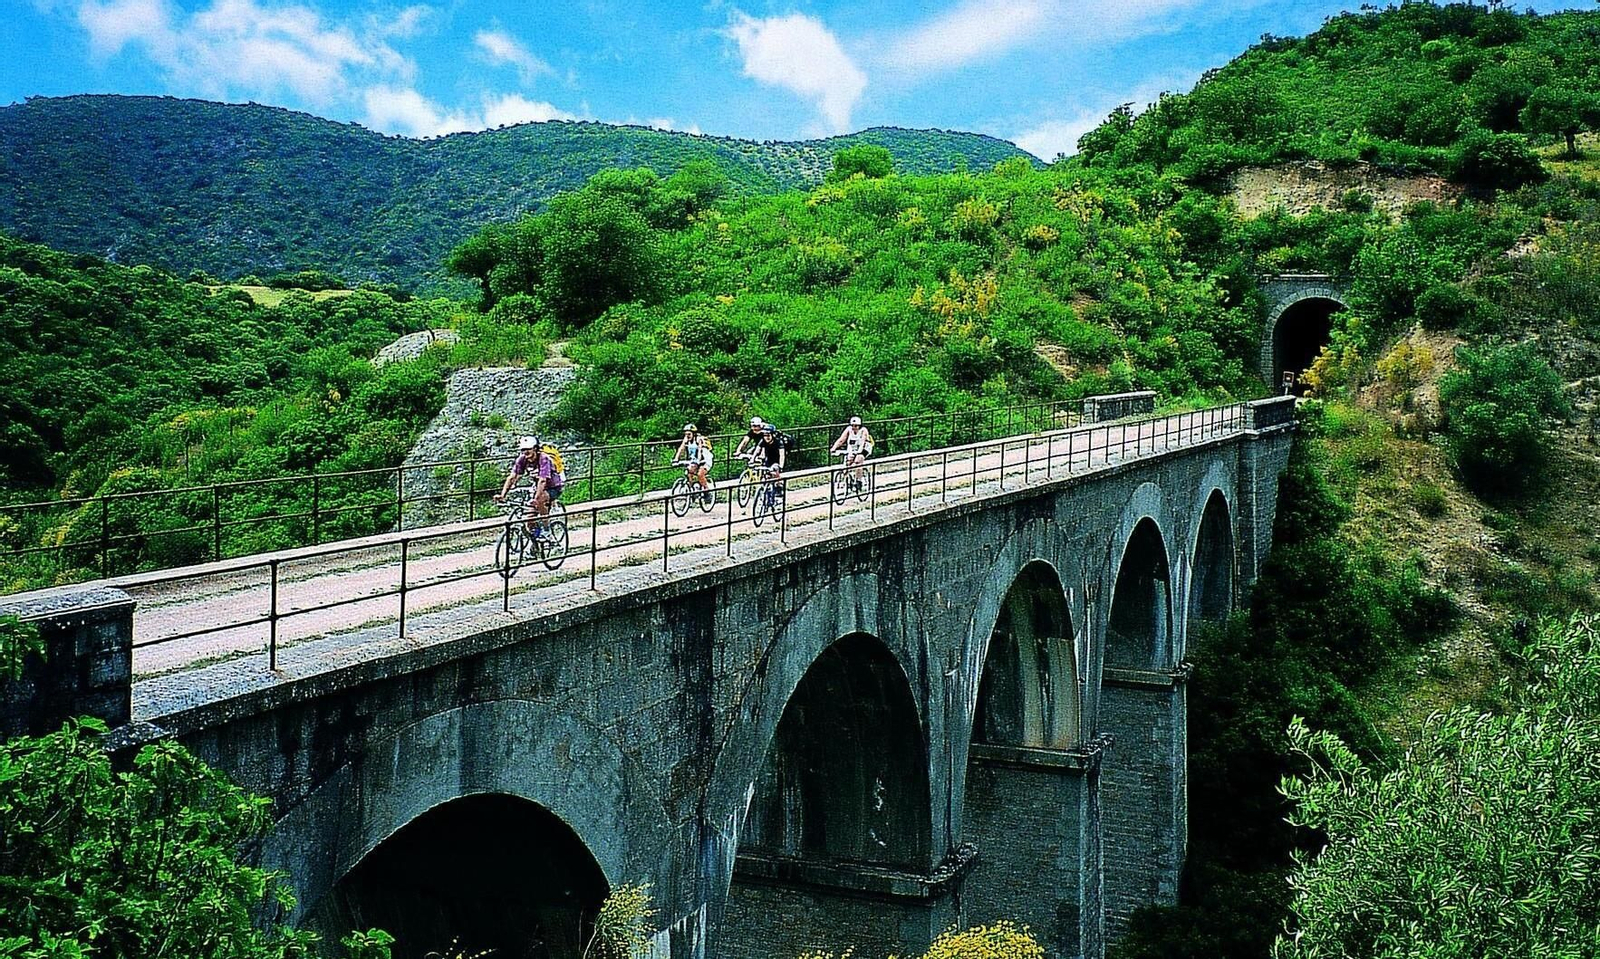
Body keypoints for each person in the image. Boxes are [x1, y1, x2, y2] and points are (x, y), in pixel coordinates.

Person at [495, 435, 563, 536]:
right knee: (529, 520)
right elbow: (512, 477)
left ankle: (547, 528)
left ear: (535, 448)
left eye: (528, 449)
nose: (525, 452)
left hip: (553, 487)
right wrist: (502, 495)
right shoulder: (522, 459)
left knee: (540, 499)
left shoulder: (544, 459)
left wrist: (536, 498)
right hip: (538, 487)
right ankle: (536, 542)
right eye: (523, 450)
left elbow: (542, 480)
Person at [674, 423, 714, 503]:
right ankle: (692, 492)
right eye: (686, 434)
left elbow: (699, 451)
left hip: (705, 459)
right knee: (689, 472)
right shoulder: (686, 440)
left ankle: (707, 492)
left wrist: (698, 461)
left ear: (693, 434)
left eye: (689, 434)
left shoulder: (698, 439)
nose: (687, 436)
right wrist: (676, 459)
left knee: (700, 474)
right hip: (694, 460)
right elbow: (681, 449)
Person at [830, 415, 874, 488]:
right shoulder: (849, 430)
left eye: (856, 426)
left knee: (858, 460)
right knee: (848, 461)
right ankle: (846, 479)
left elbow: (862, 442)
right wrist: (834, 448)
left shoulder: (863, 430)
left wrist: (859, 452)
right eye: (852, 426)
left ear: (859, 426)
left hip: (864, 448)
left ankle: (859, 480)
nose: (854, 428)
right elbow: (841, 440)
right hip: (852, 448)